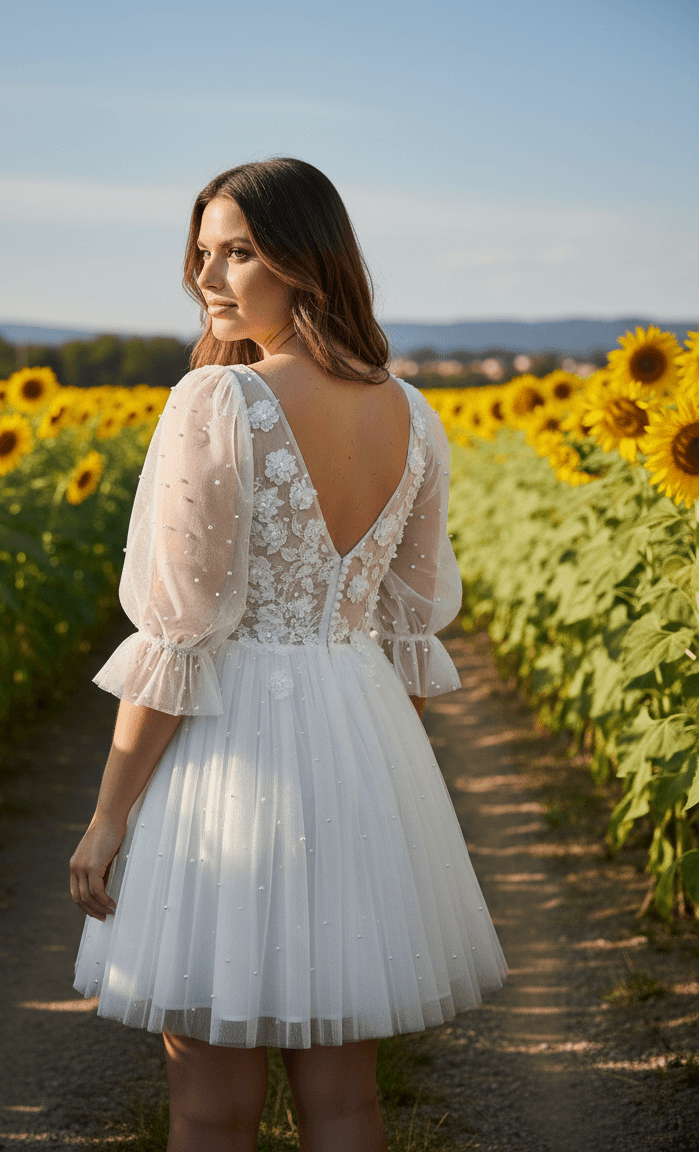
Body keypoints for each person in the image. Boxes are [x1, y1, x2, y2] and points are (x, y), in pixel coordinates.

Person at [69, 157, 508, 1152]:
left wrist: (108, 817)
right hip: (360, 744)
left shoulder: (218, 403)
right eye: (201, 253)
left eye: (239, 252)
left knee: (211, 1107)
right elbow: (405, 636)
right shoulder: (415, 415)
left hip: (233, 750)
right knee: (348, 1102)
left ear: (305, 265)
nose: (209, 278)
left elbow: (179, 637)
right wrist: (376, 794)